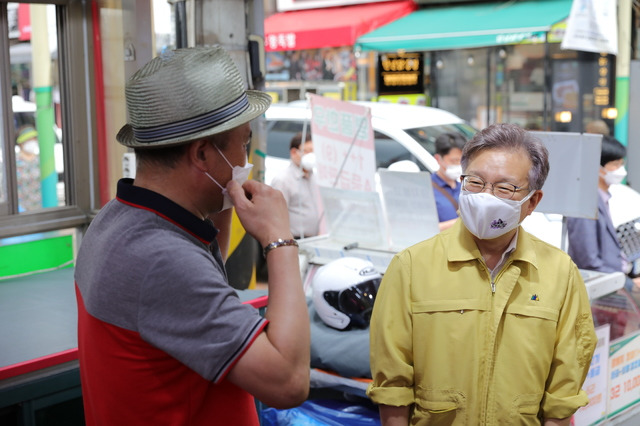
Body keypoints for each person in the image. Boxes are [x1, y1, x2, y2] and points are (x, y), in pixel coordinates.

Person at [74, 46, 310, 425]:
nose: (246, 159)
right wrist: (279, 240)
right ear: (202, 154)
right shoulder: (163, 260)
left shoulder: (115, 219)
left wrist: (223, 199)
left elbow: (206, 277)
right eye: (243, 143)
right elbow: (289, 382)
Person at [368, 123, 597, 425]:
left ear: (532, 202)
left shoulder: (559, 272)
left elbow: (563, 392)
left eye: (504, 188)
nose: (486, 196)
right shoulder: (411, 266)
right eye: (475, 182)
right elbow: (393, 389)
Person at [567, 135, 640, 292]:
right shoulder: (585, 202)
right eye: (615, 164)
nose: (621, 170)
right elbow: (588, 259)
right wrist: (627, 284)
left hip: (615, 282)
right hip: (603, 289)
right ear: (597, 167)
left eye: (622, 163)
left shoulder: (602, 197)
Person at [270, 131, 321, 239]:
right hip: (294, 240)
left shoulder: (314, 177)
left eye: (314, 151)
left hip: (314, 239)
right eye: (308, 151)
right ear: (294, 152)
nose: (312, 156)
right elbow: (276, 216)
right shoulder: (283, 180)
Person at [431, 132, 466, 231]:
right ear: (438, 159)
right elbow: (425, 228)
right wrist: (461, 222)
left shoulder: (464, 187)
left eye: (461, 161)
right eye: (454, 161)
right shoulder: (427, 189)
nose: (458, 165)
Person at [15, 125, 42, 212]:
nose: (33, 142)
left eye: (34, 139)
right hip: (22, 209)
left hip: (41, 208)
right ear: (21, 143)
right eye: (29, 140)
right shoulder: (14, 161)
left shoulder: (40, 159)